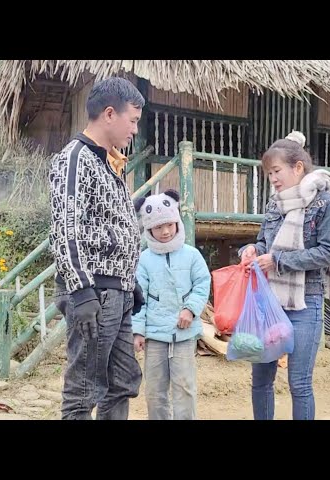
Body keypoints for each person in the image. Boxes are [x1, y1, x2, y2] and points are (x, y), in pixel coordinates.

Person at [240, 130, 330, 420]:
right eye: (269, 174)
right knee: (261, 379)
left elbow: (329, 253)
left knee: (299, 382)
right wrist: (252, 250)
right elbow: (263, 243)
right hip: (269, 300)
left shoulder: (325, 203)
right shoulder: (273, 205)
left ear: (298, 168)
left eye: (276, 171)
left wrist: (278, 260)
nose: (273, 179)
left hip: (307, 301)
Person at [50, 76, 146, 420]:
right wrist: (81, 292)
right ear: (109, 114)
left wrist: (128, 280)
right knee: (83, 392)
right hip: (93, 293)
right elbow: (65, 228)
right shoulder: (74, 158)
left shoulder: (109, 163)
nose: (134, 129)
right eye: (132, 120)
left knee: (122, 381)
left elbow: (113, 226)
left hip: (116, 291)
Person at [131, 190, 211, 420]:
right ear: (149, 229)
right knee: (155, 391)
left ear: (177, 222)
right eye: (158, 227)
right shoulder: (143, 260)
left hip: (184, 334)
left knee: (184, 388)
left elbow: (202, 283)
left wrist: (191, 309)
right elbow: (138, 298)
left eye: (169, 224)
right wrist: (137, 331)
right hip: (154, 336)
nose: (165, 231)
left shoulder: (192, 255)